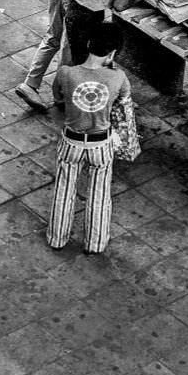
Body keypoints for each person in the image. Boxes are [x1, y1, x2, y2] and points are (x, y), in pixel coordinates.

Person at [47, 22, 131, 254]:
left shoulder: (67, 73)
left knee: (64, 189)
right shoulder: (118, 78)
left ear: (88, 44)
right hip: (100, 144)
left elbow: (58, 96)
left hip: (71, 141)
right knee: (99, 194)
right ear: (113, 52)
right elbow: (123, 101)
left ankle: (57, 238)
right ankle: (95, 243)